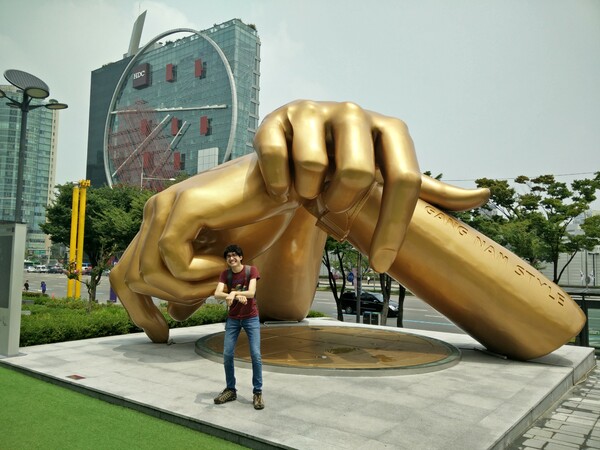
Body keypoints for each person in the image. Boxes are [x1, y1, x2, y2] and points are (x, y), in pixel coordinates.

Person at [213, 244, 264, 410]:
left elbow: (251, 292)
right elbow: (217, 294)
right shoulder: (225, 274)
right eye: (228, 256)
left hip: (251, 318)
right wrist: (232, 295)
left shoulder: (251, 271)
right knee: (227, 354)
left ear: (241, 257)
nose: (231, 258)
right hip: (233, 319)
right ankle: (230, 389)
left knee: (255, 355)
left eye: (234, 255)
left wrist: (234, 293)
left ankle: (257, 392)